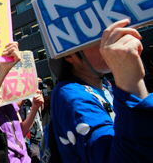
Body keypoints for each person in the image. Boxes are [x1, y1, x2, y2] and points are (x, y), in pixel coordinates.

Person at [48, 19, 153, 162]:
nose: (112, 41)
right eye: (100, 38)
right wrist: (131, 81)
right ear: (69, 55)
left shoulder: (105, 84)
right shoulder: (68, 94)